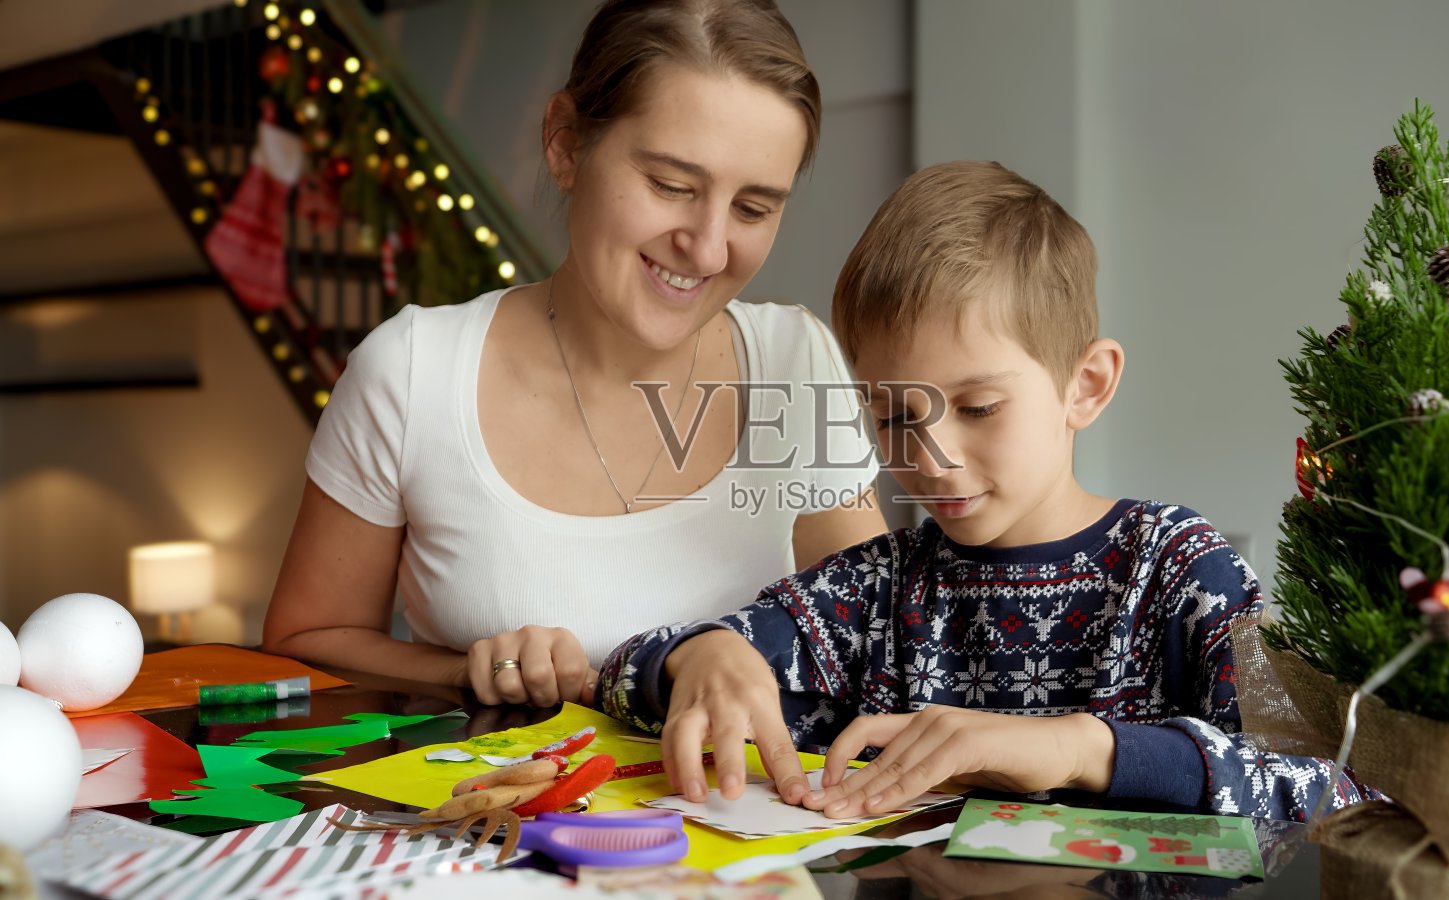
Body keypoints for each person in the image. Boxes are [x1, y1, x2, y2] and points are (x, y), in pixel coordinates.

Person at [596, 160, 1379, 823]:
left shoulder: (1177, 568)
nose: (931, 456)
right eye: (894, 414)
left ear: (1087, 384)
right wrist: (701, 654)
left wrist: (1083, 749)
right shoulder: (875, 586)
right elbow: (627, 676)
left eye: (977, 408)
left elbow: (1336, 781)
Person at [262, 0, 885, 709]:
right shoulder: (410, 372)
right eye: (672, 186)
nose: (709, 248)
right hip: (499, 819)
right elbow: (305, 643)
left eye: (753, 208)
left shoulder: (793, 356)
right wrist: (471, 670)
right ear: (564, 143)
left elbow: (870, 647)